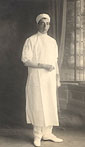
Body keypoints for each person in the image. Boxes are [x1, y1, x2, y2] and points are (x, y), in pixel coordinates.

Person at [21, 13, 63, 146]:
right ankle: (37, 135)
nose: (45, 26)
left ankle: (47, 133)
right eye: (42, 23)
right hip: (36, 79)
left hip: (49, 79)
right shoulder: (31, 40)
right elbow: (26, 61)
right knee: (38, 105)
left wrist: (57, 77)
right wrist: (43, 65)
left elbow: (55, 62)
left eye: (48, 23)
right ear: (37, 24)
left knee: (50, 103)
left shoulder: (52, 42)